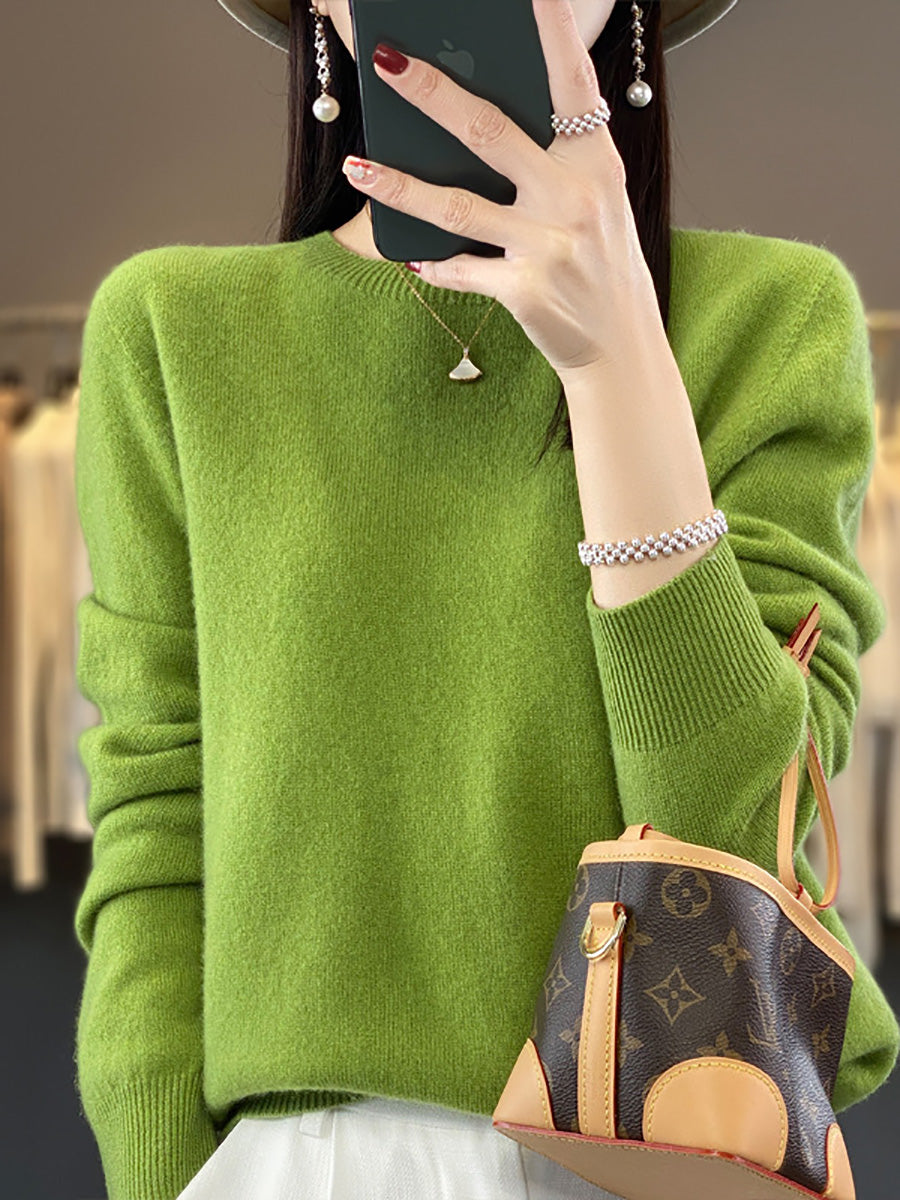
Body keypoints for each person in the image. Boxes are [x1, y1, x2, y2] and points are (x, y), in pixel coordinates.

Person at [71, 1, 900, 1198]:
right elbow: (155, 821)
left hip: (637, 1164)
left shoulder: (773, 319)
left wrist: (615, 361)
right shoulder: (174, 331)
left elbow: (734, 851)